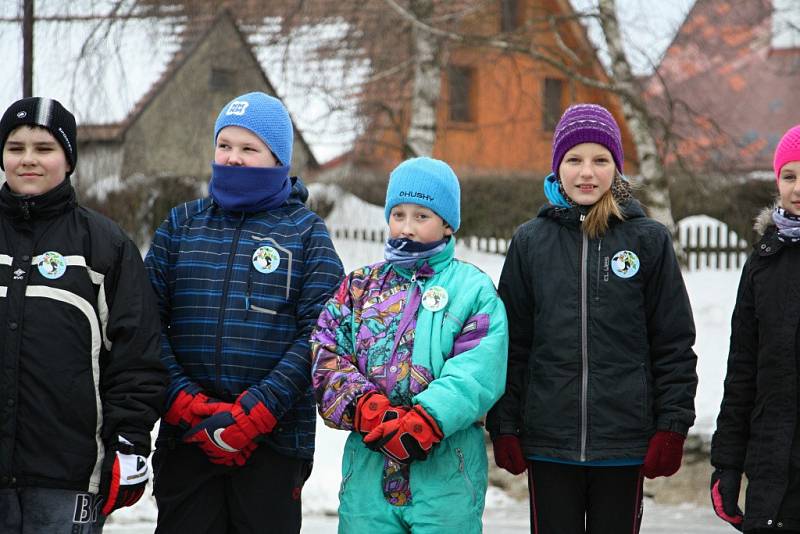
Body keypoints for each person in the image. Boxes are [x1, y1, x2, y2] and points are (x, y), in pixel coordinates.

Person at [486, 103, 698, 534]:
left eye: (600, 160)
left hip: (624, 441)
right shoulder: (530, 242)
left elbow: (673, 342)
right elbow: (511, 343)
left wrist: (672, 425)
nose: (587, 172)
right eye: (574, 159)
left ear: (616, 168)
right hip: (550, 442)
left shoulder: (648, 240)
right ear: (557, 167)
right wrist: (506, 425)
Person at [145, 91, 343, 533]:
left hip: (273, 445)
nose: (232, 158)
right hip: (187, 441)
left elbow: (322, 333)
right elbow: (144, 322)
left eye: (248, 148)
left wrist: (258, 411)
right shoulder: (181, 225)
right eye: (225, 145)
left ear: (278, 159)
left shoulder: (307, 234)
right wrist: (182, 402)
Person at [310, 157, 508, 534]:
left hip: (446, 471)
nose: (407, 227)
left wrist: (428, 419)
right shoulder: (359, 288)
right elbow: (327, 349)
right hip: (369, 468)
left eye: (422, 216)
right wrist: (367, 408)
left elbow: (479, 365)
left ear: (447, 223)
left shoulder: (472, 289)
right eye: (398, 214)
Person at [0, 97, 167, 533]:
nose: (28, 160)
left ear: (69, 159)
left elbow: (137, 357)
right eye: (16, 148)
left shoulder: (105, 246)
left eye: (44, 148)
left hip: (67, 478)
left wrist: (130, 442)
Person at [710, 124, 800, 533]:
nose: (797, 188)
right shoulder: (762, 263)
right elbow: (741, 368)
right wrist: (727, 464)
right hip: (772, 465)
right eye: (790, 176)